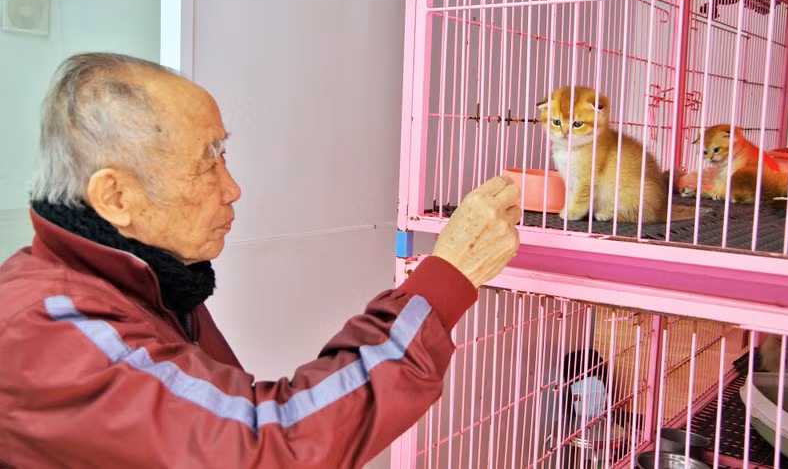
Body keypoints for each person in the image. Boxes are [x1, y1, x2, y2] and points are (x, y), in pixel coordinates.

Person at [0, 53, 521, 468]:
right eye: (208, 161)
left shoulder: (146, 282)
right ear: (115, 197)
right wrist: (447, 277)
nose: (232, 188)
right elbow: (266, 443)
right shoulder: (49, 328)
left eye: (223, 155)